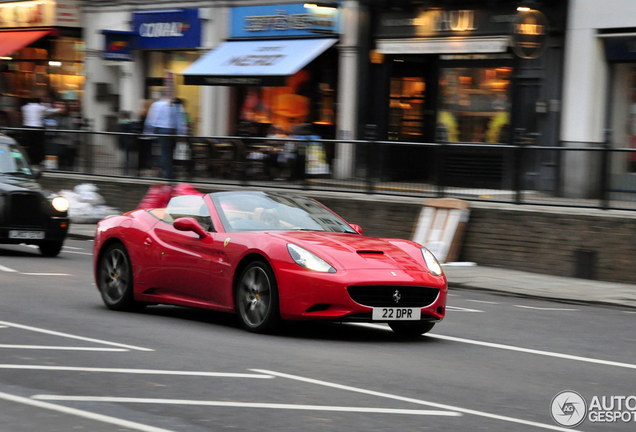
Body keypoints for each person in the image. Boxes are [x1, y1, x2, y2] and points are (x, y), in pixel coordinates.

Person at [143, 95, 187, 179]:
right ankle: (168, 172)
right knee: (170, 152)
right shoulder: (177, 105)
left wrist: (148, 132)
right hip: (172, 131)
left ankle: (166, 172)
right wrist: (182, 133)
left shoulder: (157, 105)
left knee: (165, 152)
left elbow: (151, 119)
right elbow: (181, 120)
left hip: (161, 130)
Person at [21, 98, 58, 165]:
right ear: (39, 102)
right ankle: (38, 160)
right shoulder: (41, 108)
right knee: (38, 145)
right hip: (38, 128)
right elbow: (50, 111)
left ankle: (29, 160)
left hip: (27, 128)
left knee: (29, 145)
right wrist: (59, 110)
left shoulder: (24, 107)